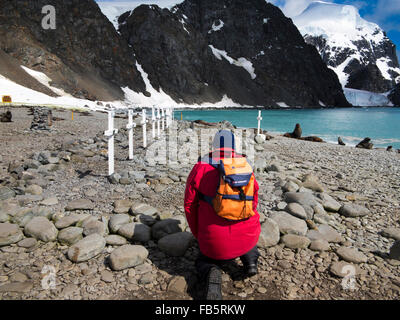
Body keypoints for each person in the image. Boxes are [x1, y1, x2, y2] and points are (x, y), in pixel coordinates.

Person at [184, 129, 261, 300]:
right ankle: (250, 261)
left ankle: (211, 272)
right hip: (248, 235)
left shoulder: (201, 167)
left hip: (213, 239)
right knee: (249, 243)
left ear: (214, 145)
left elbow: (189, 205)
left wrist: (199, 234)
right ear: (234, 146)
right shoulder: (246, 166)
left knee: (204, 260)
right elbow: (254, 203)